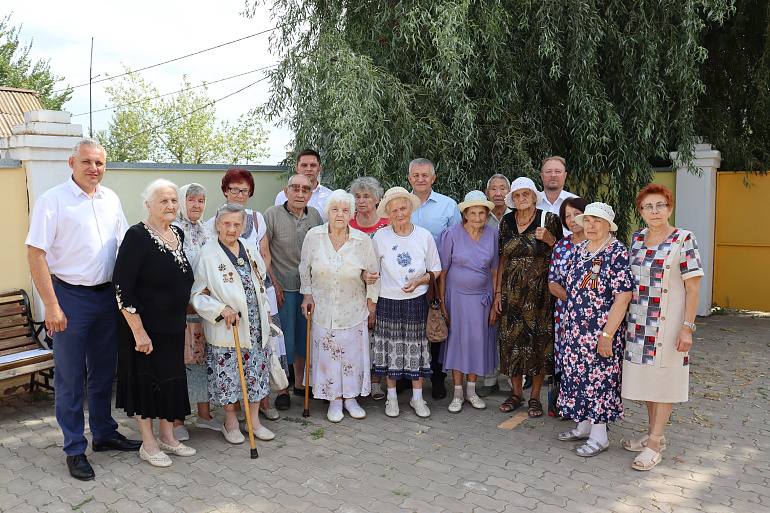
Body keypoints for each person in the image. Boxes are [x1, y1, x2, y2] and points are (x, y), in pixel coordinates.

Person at [25, 138, 141, 481]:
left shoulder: (111, 200)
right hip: (70, 299)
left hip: (107, 298)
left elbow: (124, 247)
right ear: (72, 162)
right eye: (87, 162)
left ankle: (104, 433)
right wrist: (51, 305)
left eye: (100, 164)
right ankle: (75, 448)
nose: (94, 169)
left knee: (105, 372)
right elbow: (36, 254)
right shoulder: (53, 200)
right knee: (71, 379)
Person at [113, 179, 196, 468]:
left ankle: (168, 436)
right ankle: (148, 443)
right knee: (147, 383)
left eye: (174, 200)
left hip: (172, 326)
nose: (171, 205)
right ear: (148, 205)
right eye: (163, 201)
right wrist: (138, 331)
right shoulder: (136, 236)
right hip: (144, 327)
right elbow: (122, 286)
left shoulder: (178, 234)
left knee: (170, 381)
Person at [622, 184, 704, 470]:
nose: (654, 211)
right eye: (648, 206)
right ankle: (653, 432)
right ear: (641, 211)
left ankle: (655, 444)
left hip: (668, 323)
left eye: (660, 205)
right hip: (638, 322)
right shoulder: (636, 238)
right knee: (647, 380)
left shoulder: (684, 239)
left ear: (669, 208)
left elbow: (693, 289)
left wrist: (687, 327)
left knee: (664, 381)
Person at [190, 203, 276, 445]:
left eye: (237, 224)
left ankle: (254, 422)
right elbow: (197, 295)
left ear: (244, 226)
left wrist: (266, 311)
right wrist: (220, 309)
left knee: (255, 375)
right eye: (226, 223)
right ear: (217, 225)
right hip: (228, 328)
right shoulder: (207, 254)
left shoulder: (249, 248)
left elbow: (260, 284)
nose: (231, 229)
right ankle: (230, 423)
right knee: (229, 377)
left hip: (256, 327)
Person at [556, 202, 633, 457]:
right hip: (576, 330)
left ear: (608, 226)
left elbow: (623, 297)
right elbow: (574, 291)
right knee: (579, 378)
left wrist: (608, 335)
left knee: (599, 381)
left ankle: (600, 437)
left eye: (596, 221)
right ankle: (585, 425)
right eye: (587, 220)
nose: (590, 226)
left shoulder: (616, 251)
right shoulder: (579, 250)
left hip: (601, 331)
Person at [210, 168, 290, 415]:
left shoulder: (257, 218)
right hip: (231, 298)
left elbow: (264, 254)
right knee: (236, 352)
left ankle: (263, 402)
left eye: (244, 191)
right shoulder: (215, 219)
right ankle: (235, 411)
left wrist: (269, 283)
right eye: (234, 189)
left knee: (265, 347)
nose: (239, 194)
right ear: (225, 191)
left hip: (259, 291)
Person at [299, 190, 381, 422]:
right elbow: (305, 269)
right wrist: (307, 296)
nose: (340, 214)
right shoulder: (314, 236)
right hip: (323, 308)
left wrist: (371, 303)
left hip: (353, 307)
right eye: (335, 209)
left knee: (352, 356)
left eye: (345, 210)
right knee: (328, 356)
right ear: (327, 212)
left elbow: (374, 273)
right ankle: (334, 400)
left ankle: (351, 398)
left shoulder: (362, 240)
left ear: (351, 214)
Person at [493, 177, 563, 417]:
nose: (521, 199)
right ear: (512, 199)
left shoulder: (549, 219)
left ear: (535, 196)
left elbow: (565, 253)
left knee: (538, 344)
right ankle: (516, 394)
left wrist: (551, 240)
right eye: (517, 195)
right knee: (512, 343)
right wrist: (498, 292)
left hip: (540, 295)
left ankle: (535, 397)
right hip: (512, 295)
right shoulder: (506, 221)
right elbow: (502, 258)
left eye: (526, 194)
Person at [372, 187, 441, 418]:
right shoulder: (380, 236)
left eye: (403, 208)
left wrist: (418, 281)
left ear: (410, 209)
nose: (399, 213)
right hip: (387, 300)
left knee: (416, 349)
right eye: (394, 210)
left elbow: (436, 270)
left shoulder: (424, 236)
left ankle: (417, 398)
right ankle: (391, 399)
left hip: (416, 300)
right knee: (390, 349)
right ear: (388, 214)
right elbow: (372, 270)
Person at [437, 191, 499, 413]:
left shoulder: (493, 235)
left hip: (482, 299)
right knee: (457, 342)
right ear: (464, 214)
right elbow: (442, 273)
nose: (477, 217)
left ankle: (471, 392)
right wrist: (442, 302)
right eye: (472, 212)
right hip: (456, 297)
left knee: (476, 342)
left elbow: (495, 271)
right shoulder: (450, 234)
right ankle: (457, 394)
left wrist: (495, 301)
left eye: (482, 213)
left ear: (487, 214)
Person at [265, 175, 324, 398]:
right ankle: (282, 390)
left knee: (303, 337)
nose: (300, 194)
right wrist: (275, 284)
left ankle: (300, 384)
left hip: (309, 289)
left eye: (305, 190)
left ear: (310, 193)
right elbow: (264, 252)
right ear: (286, 191)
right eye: (295, 189)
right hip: (282, 288)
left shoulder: (315, 216)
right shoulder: (272, 214)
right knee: (283, 339)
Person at [171, 183, 221, 441]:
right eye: (191, 200)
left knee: (203, 360)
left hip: (205, 306)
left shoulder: (206, 230)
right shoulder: (172, 230)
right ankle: (179, 418)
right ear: (181, 201)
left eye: (201, 201)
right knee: (183, 361)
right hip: (182, 307)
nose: (196, 205)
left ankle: (205, 415)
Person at [407, 157, 461, 400]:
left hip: (438, 279)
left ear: (433, 178)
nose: (420, 179)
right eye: (415, 175)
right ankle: (408, 377)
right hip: (406, 278)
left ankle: (438, 379)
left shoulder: (448, 206)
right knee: (409, 328)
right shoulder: (399, 204)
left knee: (436, 325)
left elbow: (457, 242)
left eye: (425, 175)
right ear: (409, 178)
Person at [348, 176, 390, 401]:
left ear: (377, 199)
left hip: (384, 287)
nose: (361, 201)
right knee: (356, 336)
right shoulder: (348, 223)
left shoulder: (387, 223)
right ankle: (355, 380)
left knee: (378, 336)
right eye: (357, 196)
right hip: (353, 288)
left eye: (366, 196)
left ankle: (375, 383)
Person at [547, 196, 591, 409]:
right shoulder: (561, 246)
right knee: (566, 358)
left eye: (577, 213)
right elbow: (553, 283)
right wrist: (575, 302)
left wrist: (584, 305)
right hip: (564, 313)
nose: (573, 219)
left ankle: (592, 407)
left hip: (594, 315)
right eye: (567, 216)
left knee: (590, 361)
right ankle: (568, 405)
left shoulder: (599, 245)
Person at [478, 174, 511, 397]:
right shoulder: (481, 217)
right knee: (489, 329)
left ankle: (511, 380)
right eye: (493, 189)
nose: (498, 193)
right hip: (486, 282)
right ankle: (489, 379)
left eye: (503, 189)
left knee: (510, 331)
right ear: (487, 193)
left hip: (514, 282)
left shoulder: (517, 216)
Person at [274, 149, 333, 221]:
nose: (308, 169)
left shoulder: (330, 196)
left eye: (313, 165)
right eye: (304, 165)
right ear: (297, 169)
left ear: (319, 169)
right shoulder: (282, 196)